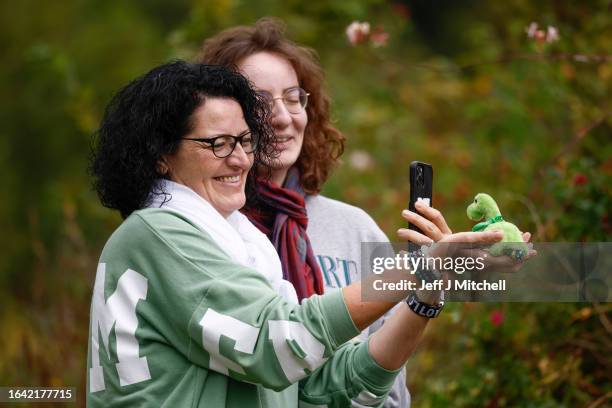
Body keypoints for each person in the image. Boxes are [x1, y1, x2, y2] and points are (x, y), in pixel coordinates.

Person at [86, 61, 505, 407]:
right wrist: (413, 271)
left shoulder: (237, 239)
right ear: (161, 155)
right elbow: (277, 343)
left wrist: (426, 291)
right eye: (217, 143)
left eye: (245, 141)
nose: (239, 160)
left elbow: (323, 390)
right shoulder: (160, 232)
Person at [198, 18, 450, 407]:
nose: (283, 117)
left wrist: (429, 283)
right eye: (260, 101)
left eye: (294, 97)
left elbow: (392, 389)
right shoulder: (201, 231)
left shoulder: (354, 229)